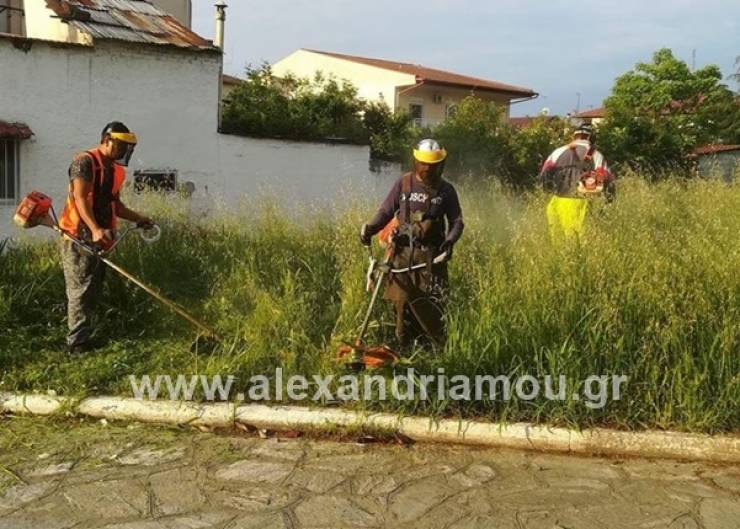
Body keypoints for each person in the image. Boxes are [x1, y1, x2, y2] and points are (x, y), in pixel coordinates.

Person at [58, 121, 154, 353]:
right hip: (78, 235)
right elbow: (81, 198)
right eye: (120, 145)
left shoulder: (116, 170)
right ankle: (77, 344)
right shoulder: (85, 162)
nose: (123, 151)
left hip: (103, 236)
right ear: (106, 140)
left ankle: (86, 333)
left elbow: (116, 205)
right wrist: (93, 229)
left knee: (94, 288)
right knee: (80, 289)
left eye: (127, 147)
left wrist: (139, 218)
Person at [360, 139, 464, 349]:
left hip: (432, 259)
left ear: (441, 164)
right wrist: (370, 228)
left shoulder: (446, 190)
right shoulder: (404, 184)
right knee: (402, 306)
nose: (428, 168)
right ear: (416, 161)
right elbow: (386, 211)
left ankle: (434, 353)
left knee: (432, 309)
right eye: (424, 164)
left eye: (434, 165)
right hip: (401, 257)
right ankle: (402, 351)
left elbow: (457, 221)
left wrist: (450, 241)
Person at [539, 123, 614, 241]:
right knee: (579, 243)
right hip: (583, 204)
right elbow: (608, 180)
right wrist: (608, 203)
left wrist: (549, 192)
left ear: (574, 136)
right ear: (590, 137)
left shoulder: (558, 151)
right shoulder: (596, 155)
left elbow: (544, 175)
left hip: (557, 201)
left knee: (558, 242)